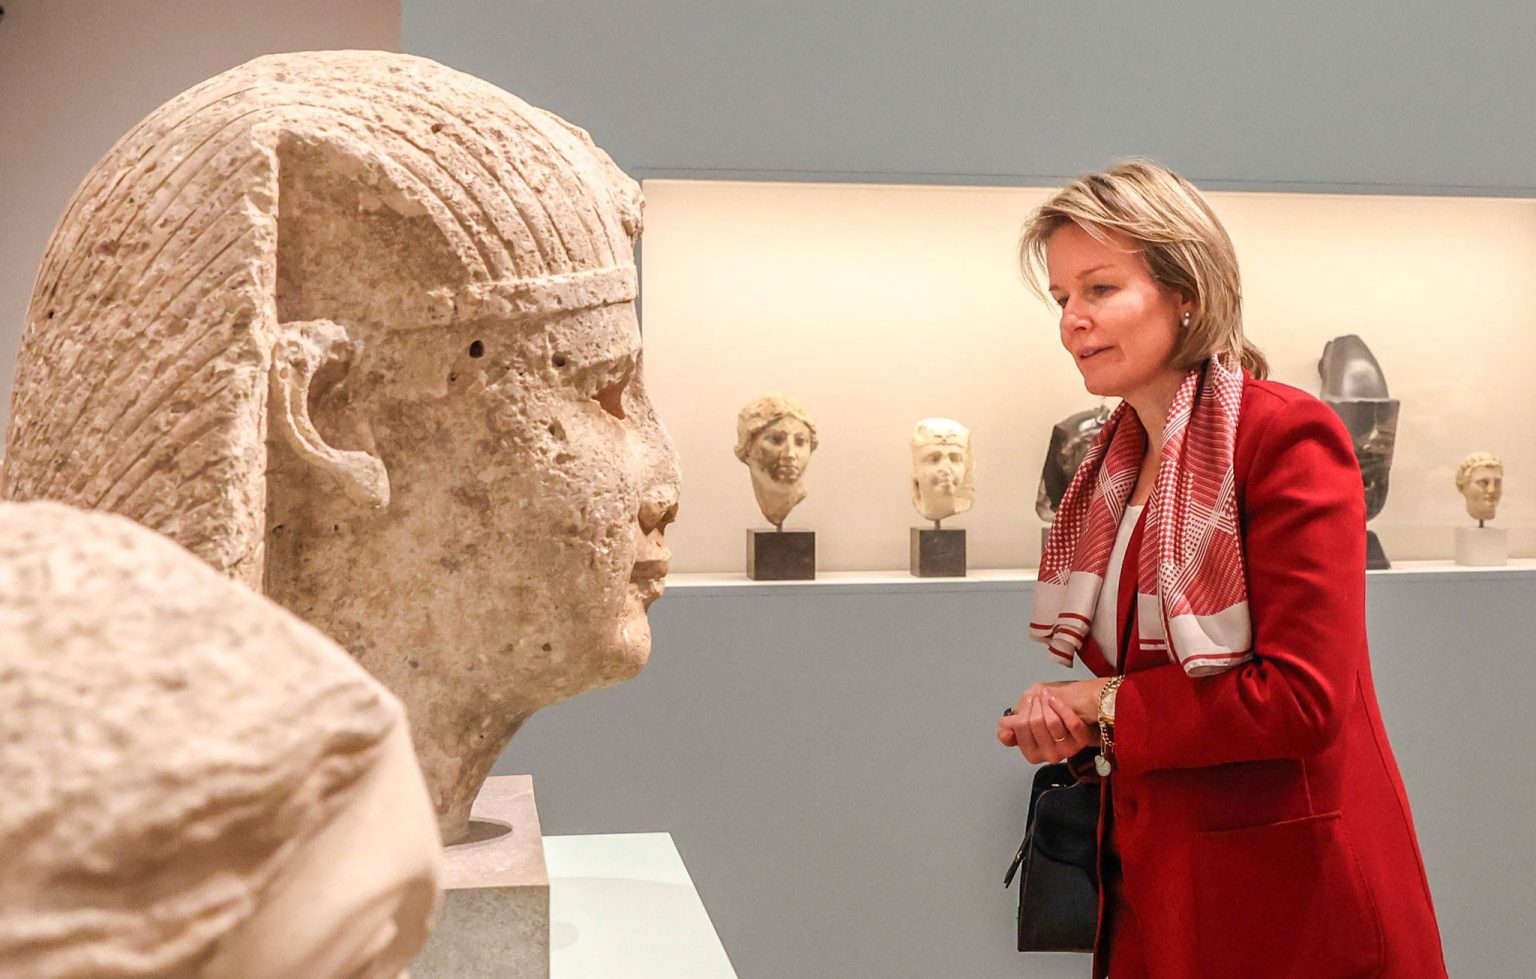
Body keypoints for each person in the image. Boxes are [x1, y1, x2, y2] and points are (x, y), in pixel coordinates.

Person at [997, 160, 1446, 978]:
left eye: (1100, 288)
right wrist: (1082, 719)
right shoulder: (1113, 460)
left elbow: (1301, 699)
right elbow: (1148, 681)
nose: (1072, 320)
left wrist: (1102, 704)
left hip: (1292, 905)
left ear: (1187, 291)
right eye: (1062, 298)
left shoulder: (1286, 437)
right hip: (1160, 891)